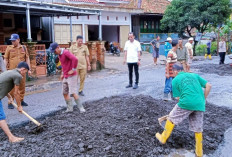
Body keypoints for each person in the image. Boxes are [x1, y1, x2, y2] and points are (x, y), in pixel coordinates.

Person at [156, 62, 211, 157]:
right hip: (200, 104)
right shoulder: (194, 75)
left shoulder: (175, 80)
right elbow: (208, 86)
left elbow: (178, 98)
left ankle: (163, 138)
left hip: (186, 102)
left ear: (175, 71)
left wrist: (184, 109)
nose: (172, 74)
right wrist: (203, 99)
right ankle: (199, 153)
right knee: (198, 128)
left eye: (172, 72)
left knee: (171, 118)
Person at [50, 42, 86, 113]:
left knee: (73, 92)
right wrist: (62, 73)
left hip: (72, 76)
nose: (54, 52)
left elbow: (75, 59)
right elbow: (64, 65)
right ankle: (70, 108)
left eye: (54, 51)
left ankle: (81, 108)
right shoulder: (59, 55)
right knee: (64, 92)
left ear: (58, 48)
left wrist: (73, 69)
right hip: (66, 75)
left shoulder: (66, 52)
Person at [0, 62, 30, 143]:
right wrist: (19, 106)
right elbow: (17, 93)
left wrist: (9, 97)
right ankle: (11, 138)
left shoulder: (9, 72)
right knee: (1, 117)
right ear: (23, 69)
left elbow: (2, 86)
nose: (24, 75)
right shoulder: (18, 76)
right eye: (25, 72)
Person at [4, 34, 31, 109]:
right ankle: (10, 102)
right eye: (12, 41)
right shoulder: (9, 48)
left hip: (22, 71)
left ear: (18, 40)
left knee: (22, 85)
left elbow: (27, 58)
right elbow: (6, 59)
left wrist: (29, 69)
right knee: (12, 86)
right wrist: (4, 70)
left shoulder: (24, 48)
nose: (13, 42)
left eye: (14, 40)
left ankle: (21, 100)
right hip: (12, 71)